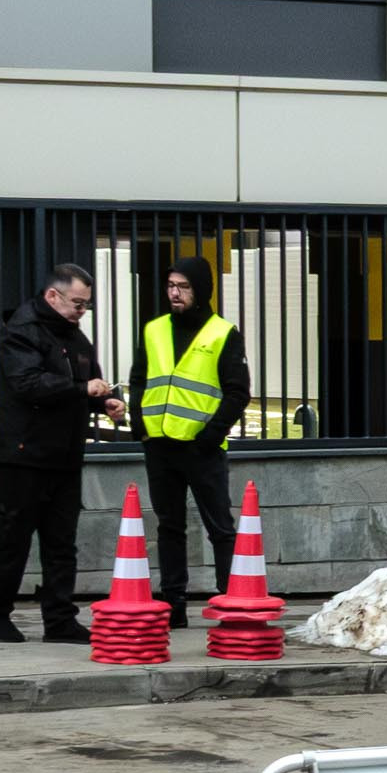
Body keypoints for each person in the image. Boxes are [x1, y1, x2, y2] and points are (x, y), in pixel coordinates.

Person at [0, 264, 120, 645]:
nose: (82, 311)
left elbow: (83, 386)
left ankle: (59, 619)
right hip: (23, 455)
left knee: (62, 542)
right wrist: (82, 390)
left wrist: (105, 401)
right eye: (77, 303)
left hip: (64, 455)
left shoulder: (76, 338)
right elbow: (27, 384)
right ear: (52, 296)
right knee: (13, 539)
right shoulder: (21, 332)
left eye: (87, 306)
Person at [139, 257, 253, 625]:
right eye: (171, 285)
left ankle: (230, 601)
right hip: (160, 447)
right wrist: (142, 427)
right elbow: (140, 379)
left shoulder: (223, 333)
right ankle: (174, 605)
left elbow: (238, 393)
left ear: (201, 290)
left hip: (202, 449)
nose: (174, 292)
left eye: (183, 286)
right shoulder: (154, 330)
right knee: (169, 528)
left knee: (220, 527)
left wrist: (211, 434)